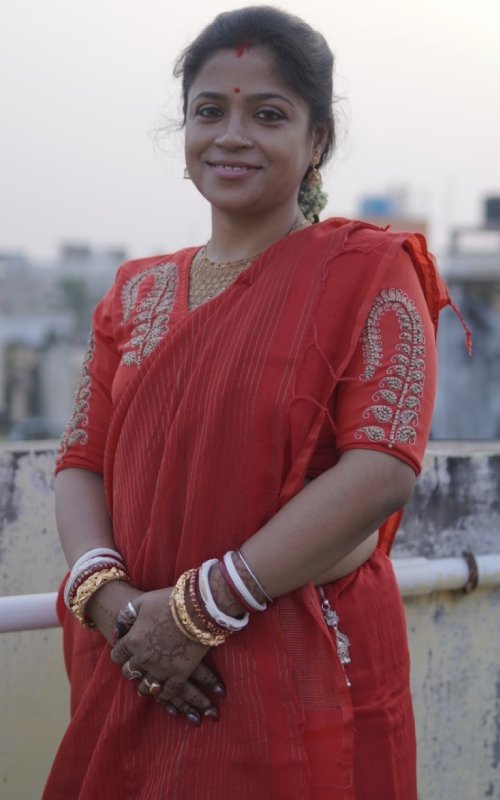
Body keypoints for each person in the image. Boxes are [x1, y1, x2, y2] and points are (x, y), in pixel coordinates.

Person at [43, 6, 466, 799]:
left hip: (296, 654)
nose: (231, 136)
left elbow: (381, 468)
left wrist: (196, 612)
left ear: (316, 142)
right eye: (209, 112)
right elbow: (81, 461)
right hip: (135, 658)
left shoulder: (369, 272)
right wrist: (109, 600)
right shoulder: (134, 293)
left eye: (268, 115)